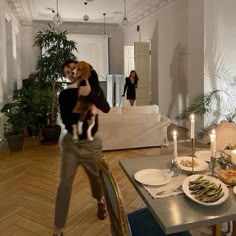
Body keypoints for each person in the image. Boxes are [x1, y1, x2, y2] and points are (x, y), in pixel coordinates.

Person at [53, 59, 110, 236]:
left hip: (91, 144)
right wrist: (83, 100)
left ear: (79, 69)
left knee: (96, 179)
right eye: (67, 72)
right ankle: (58, 229)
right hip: (71, 144)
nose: (71, 73)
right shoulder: (64, 95)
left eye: (72, 69)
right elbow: (69, 122)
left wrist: (91, 94)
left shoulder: (92, 87)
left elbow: (106, 107)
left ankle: (100, 201)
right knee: (64, 184)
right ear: (66, 76)